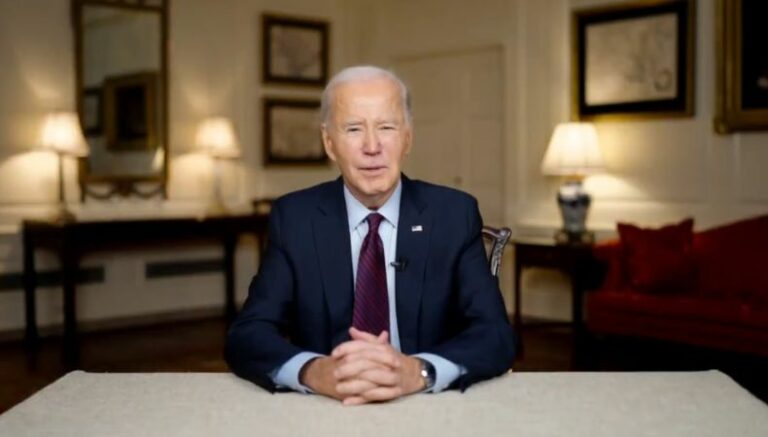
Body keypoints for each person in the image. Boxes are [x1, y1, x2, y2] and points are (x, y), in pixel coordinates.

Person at [226, 65, 515, 405]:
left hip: (429, 406)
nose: (372, 146)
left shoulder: (454, 214)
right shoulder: (295, 218)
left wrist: (419, 372)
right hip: (326, 409)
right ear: (329, 143)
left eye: (386, 127)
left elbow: (495, 334)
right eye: (353, 129)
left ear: (407, 138)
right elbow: (248, 334)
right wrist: (313, 372)